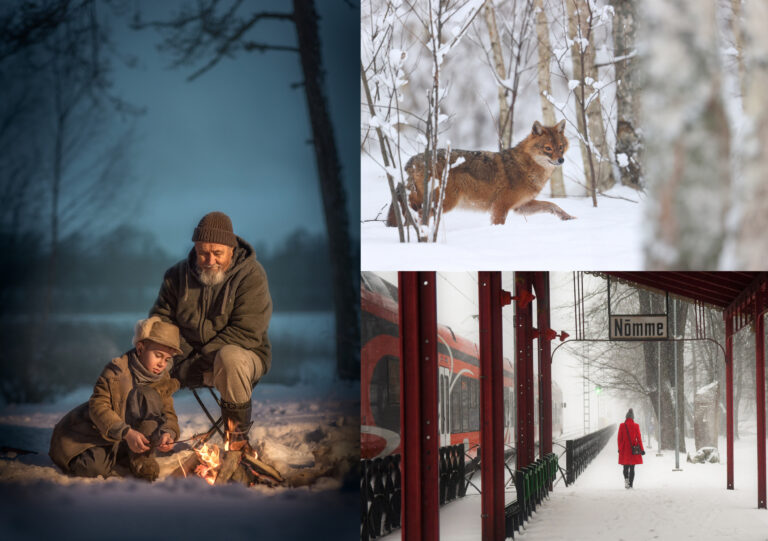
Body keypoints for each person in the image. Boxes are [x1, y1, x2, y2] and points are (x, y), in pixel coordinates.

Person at [150, 211, 272, 451]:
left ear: (231, 248)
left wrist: (194, 364)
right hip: (185, 359)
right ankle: (145, 438)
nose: (209, 259)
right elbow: (161, 322)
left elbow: (246, 331)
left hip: (242, 357)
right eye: (203, 252)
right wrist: (175, 356)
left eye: (217, 253)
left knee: (230, 358)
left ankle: (237, 442)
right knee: (143, 357)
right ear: (195, 248)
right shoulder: (176, 276)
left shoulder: (251, 275)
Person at [49, 317, 182, 481]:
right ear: (140, 349)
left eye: (167, 359)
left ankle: (141, 458)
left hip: (135, 437)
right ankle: (122, 455)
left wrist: (168, 433)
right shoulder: (116, 373)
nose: (162, 364)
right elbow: (98, 407)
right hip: (99, 434)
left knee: (149, 395)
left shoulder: (162, 381)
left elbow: (168, 413)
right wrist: (126, 433)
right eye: (158, 355)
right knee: (92, 468)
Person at [618, 408, 645, 489]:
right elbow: (639, 438)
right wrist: (642, 449)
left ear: (626, 417)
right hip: (633, 449)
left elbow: (619, 438)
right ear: (633, 417)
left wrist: (620, 448)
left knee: (625, 467)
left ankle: (626, 480)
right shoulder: (636, 426)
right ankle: (631, 484)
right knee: (632, 468)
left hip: (624, 449)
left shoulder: (622, 426)